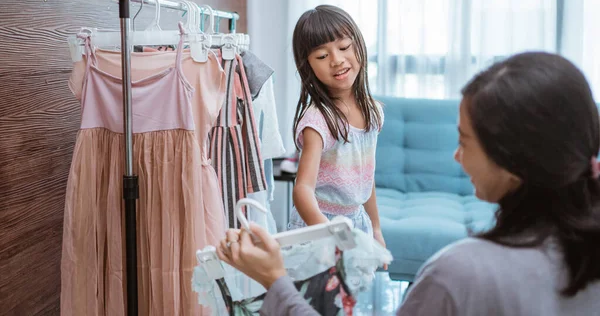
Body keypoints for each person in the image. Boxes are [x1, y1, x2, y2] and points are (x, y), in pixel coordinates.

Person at [216, 52, 600, 315]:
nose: (455, 155)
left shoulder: (457, 275)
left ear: (514, 162)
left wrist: (274, 280)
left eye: (464, 141)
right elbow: (308, 186)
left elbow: (365, 180)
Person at [288, 5, 385, 250]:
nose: (337, 60)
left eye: (344, 47)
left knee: (352, 288)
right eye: (322, 56)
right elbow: (302, 190)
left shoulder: (373, 112)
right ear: (308, 66)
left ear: (359, 46)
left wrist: (375, 228)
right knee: (313, 290)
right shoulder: (318, 121)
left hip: (356, 221)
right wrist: (329, 236)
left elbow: (365, 177)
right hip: (319, 225)